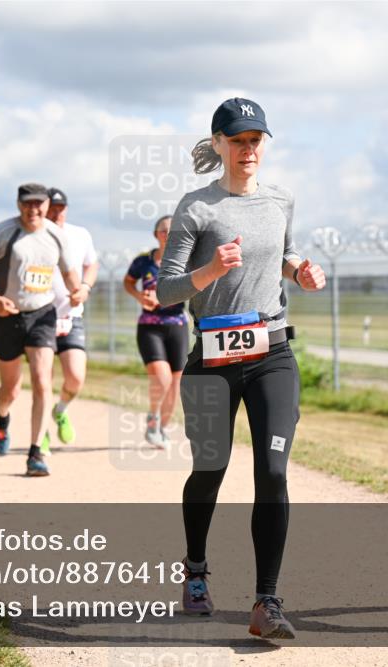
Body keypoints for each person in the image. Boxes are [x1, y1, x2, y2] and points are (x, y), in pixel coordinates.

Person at [157, 98, 325, 639]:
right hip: (212, 358)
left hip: (272, 352)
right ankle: (196, 569)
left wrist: (301, 271)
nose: (248, 149)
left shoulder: (281, 200)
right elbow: (165, 291)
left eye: (256, 140)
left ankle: (267, 602)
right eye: (238, 140)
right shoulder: (196, 207)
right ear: (219, 144)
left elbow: (286, 254)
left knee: (273, 472)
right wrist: (210, 270)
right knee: (211, 468)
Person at [0, 183, 82, 477]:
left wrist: (78, 289)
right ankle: (3, 419)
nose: (34, 210)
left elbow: (69, 271)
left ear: (45, 205)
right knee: (10, 390)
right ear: (19, 205)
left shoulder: (56, 235)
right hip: (7, 317)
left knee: (42, 381)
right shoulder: (5, 233)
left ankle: (35, 453)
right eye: (27, 204)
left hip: (42, 314)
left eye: (39, 204)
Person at [39, 187, 98, 454]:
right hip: (40, 318)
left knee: (75, 377)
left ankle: (60, 410)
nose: (56, 213)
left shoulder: (80, 234)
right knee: (44, 380)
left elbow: (92, 264)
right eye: (52, 208)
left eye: (61, 208)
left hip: (71, 315)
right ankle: (41, 435)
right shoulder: (36, 237)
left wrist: (84, 287)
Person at [125, 215, 188, 448]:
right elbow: (128, 282)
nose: (169, 235)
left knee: (175, 382)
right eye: (164, 231)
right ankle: (153, 417)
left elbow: (193, 287)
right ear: (156, 235)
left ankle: (161, 428)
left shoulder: (185, 261)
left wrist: (163, 298)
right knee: (161, 378)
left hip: (178, 325)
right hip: (150, 326)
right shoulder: (143, 261)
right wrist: (140, 296)